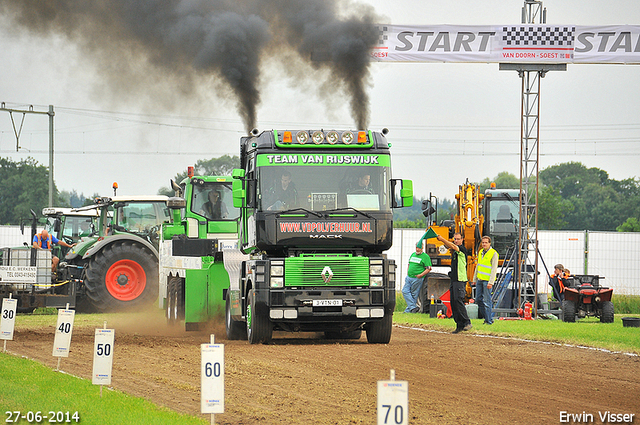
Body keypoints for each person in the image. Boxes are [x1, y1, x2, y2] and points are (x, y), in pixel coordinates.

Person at [437, 232, 472, 333]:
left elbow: (453, 246)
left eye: (458, 239)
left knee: (458, 300)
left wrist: (442, 239)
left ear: (462, 240)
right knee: (453, 302)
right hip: (454, 280)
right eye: (455, 239)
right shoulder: (455, 252)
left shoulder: (462, 249)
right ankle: (459, 325)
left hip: (460, 280)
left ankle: (466, 322)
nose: (456, 241)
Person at [473, 236, 499, 325]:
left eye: (486, 242)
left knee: (487, 301)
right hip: (480, 280)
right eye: (483, 242)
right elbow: (478, 266)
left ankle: (488, 321)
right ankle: (488, 318)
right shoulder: (480, 252)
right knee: (478, 300)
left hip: (487, 281)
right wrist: (474, 278)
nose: (484, 244)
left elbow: (494, 269)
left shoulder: (494, 253)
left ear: (489, 243)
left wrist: (491, 282)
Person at [402, 243, 432, 313]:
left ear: (422, 247)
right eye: (416, 247)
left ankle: (408, 311)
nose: (417, 249)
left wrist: (421, 275)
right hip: (409, 277)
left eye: (419, 248)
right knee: (405, 291)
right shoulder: (413, 255)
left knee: (414, 294)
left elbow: (428, 268)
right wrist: (408, 272)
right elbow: (409, 264)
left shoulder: (425, 257)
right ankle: (413, 308)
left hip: (417, 278)